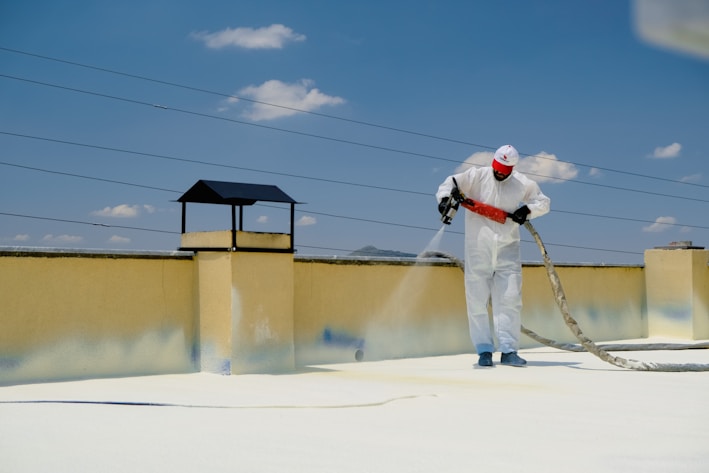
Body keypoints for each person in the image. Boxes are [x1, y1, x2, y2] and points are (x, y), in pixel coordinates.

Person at [436, 145, 550, 367]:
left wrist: (526, 211)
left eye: (504, 170)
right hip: (478, 249)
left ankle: (509, 350)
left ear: (511, 168)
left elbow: (544, 202)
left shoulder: (521, 182)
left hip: (508, 249)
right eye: (497, 168)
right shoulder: (476, 176)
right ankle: (484, 350)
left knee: (510, 300)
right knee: (476, 301)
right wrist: (443, 200)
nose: (499, 173)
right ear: (494, 163)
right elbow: (449, 184)